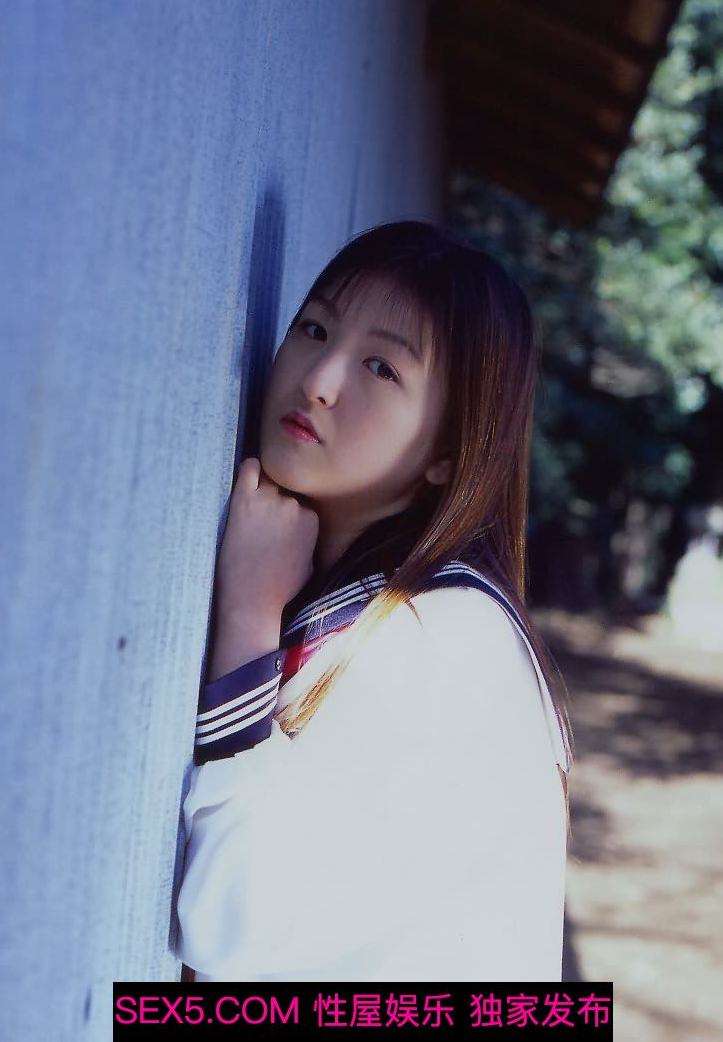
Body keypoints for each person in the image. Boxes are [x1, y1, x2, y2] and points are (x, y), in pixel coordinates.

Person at [175, 220, 575, 982]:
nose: (318, 380)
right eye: (314, 329)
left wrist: (248, 613)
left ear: (447, 451)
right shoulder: (394, 604)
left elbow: (232, 926)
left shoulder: (441, 637)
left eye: (381, 368)